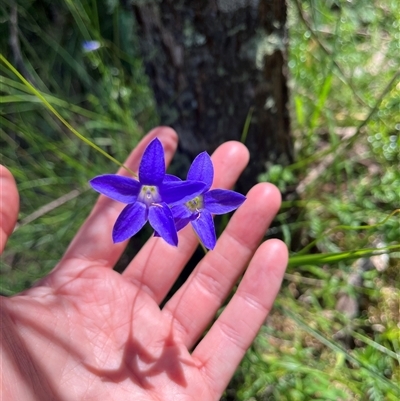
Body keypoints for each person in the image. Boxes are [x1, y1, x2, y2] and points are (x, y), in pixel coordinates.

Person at [0, 127, 288, 401]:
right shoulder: (154, 191)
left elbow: (195, 198)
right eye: (193, 201)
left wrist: (187, 204)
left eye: (196, 202)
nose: (150, 195)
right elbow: (128, 191)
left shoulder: (188, 196)